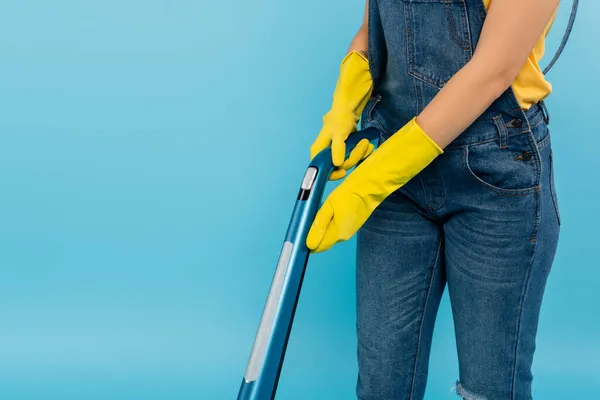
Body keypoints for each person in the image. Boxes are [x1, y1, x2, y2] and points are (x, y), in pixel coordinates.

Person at [306, 0, 577, 399]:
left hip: (494, 175)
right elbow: (374, 26)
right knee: (381, 388)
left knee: (490, 389)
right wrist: (346, 98)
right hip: (398, 166)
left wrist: (373, 181)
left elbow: (492, 72)